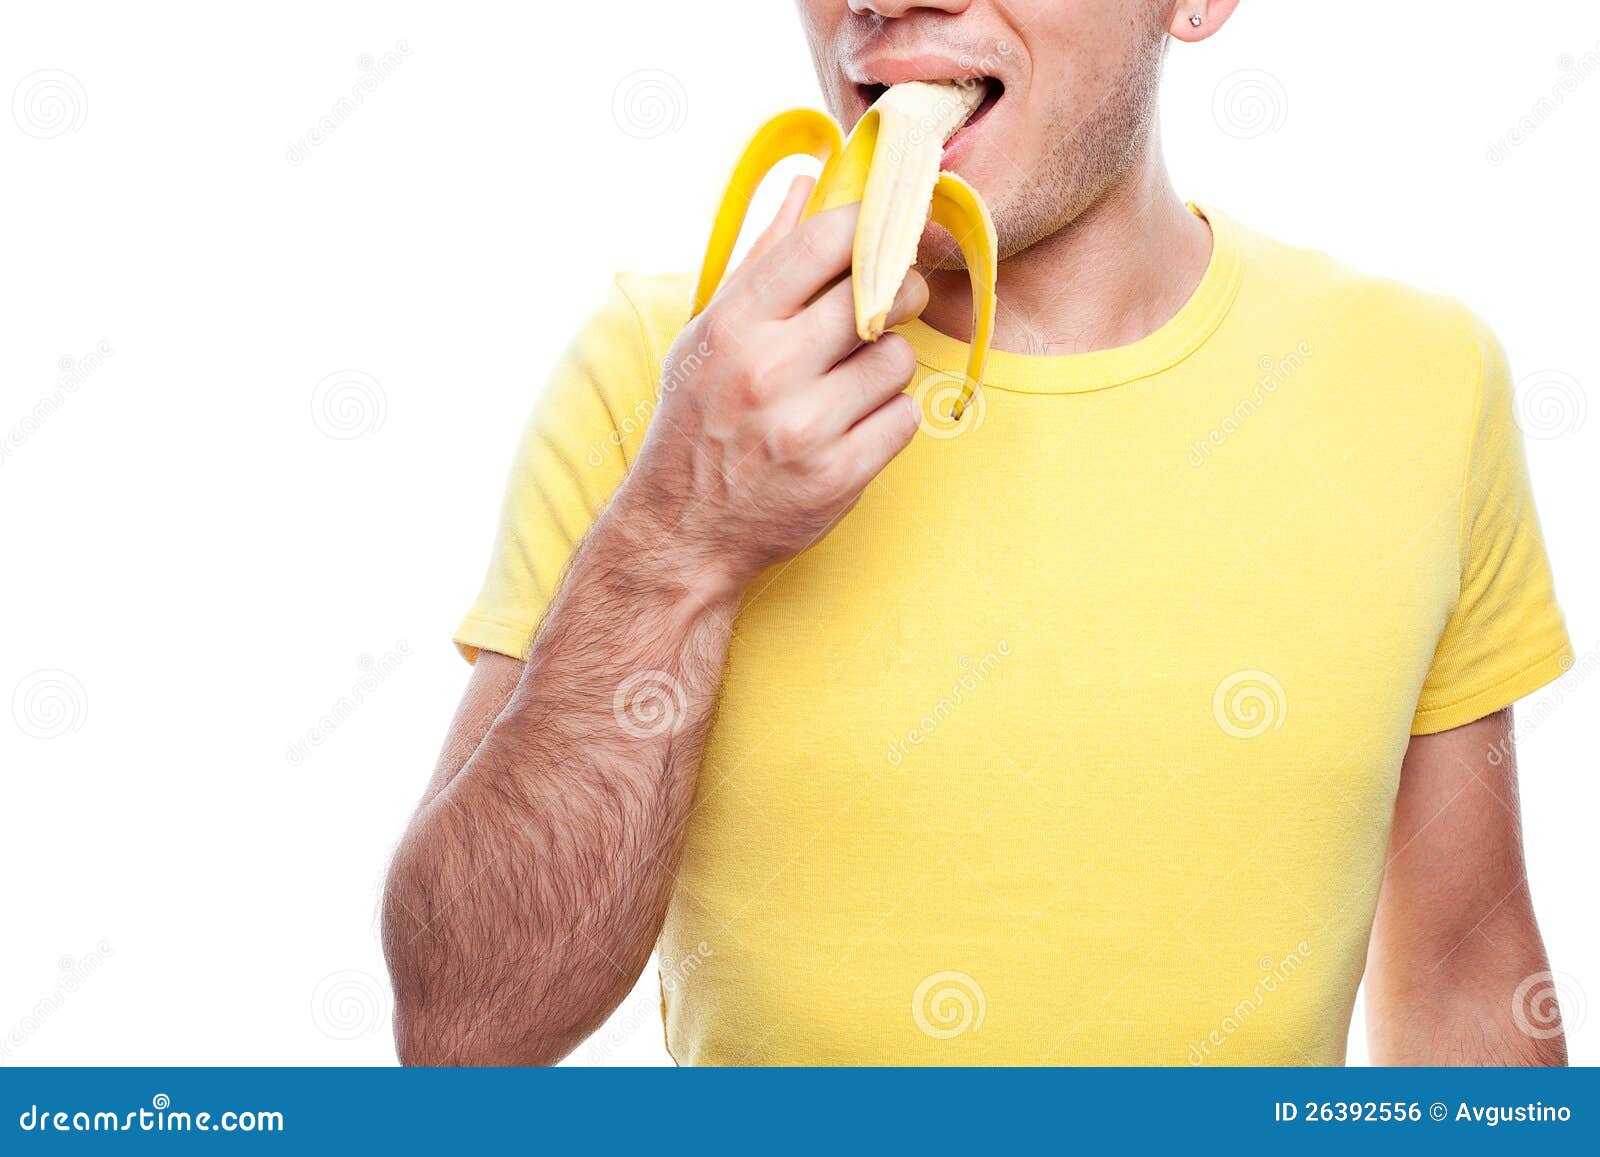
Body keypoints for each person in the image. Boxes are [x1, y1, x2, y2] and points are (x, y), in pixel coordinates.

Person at [383, 0, 1573, 1066]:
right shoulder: (664, 377)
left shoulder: (1416, 377)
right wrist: (678, 539)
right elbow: (464, 1031)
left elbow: (1463, 978)